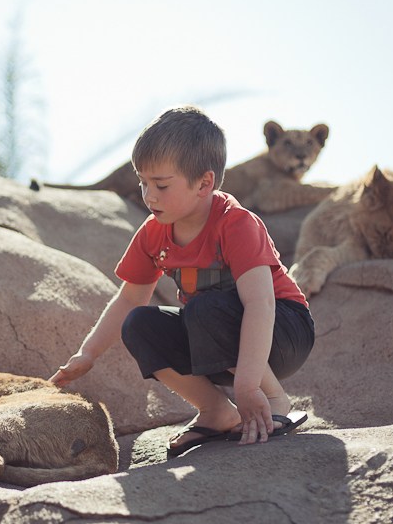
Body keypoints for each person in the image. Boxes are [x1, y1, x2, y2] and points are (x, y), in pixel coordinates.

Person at [49, 105, 315, 457]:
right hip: (216, 339)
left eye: (161, 184)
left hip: (282, 332)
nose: (149, 195)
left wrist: (249, 386)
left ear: (204, 183)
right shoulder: (153, 234)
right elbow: (129, 299)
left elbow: (261, 303)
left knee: (204, 308)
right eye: (143, 182)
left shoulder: (236, 223)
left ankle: (275, 398)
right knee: (140, 323)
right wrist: (88, 353)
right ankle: (215, 410)